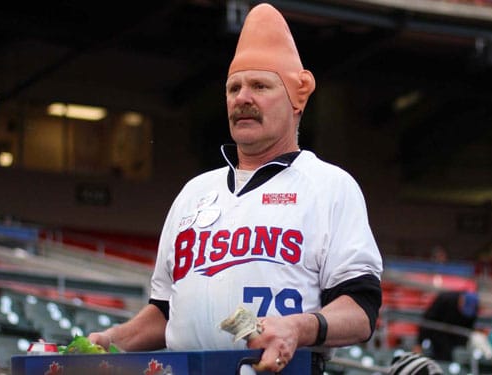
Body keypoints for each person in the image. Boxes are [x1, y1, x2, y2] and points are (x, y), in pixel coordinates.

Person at [88, 4, 383, 374]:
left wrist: (297, 327)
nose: (243, 97)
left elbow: (361, 311)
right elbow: (165, 313)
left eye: (260, 86)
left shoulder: (330, 187)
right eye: (234, 88)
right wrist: (111, 341)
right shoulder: (193, 193)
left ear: (297, 99)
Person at [414, 291, 479, 361]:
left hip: (456, 339)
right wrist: (419, 343)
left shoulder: (473, 310)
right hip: (437, 335)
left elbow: (469, 327)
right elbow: (428, 321)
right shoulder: (444, 299)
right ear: (461, 300)